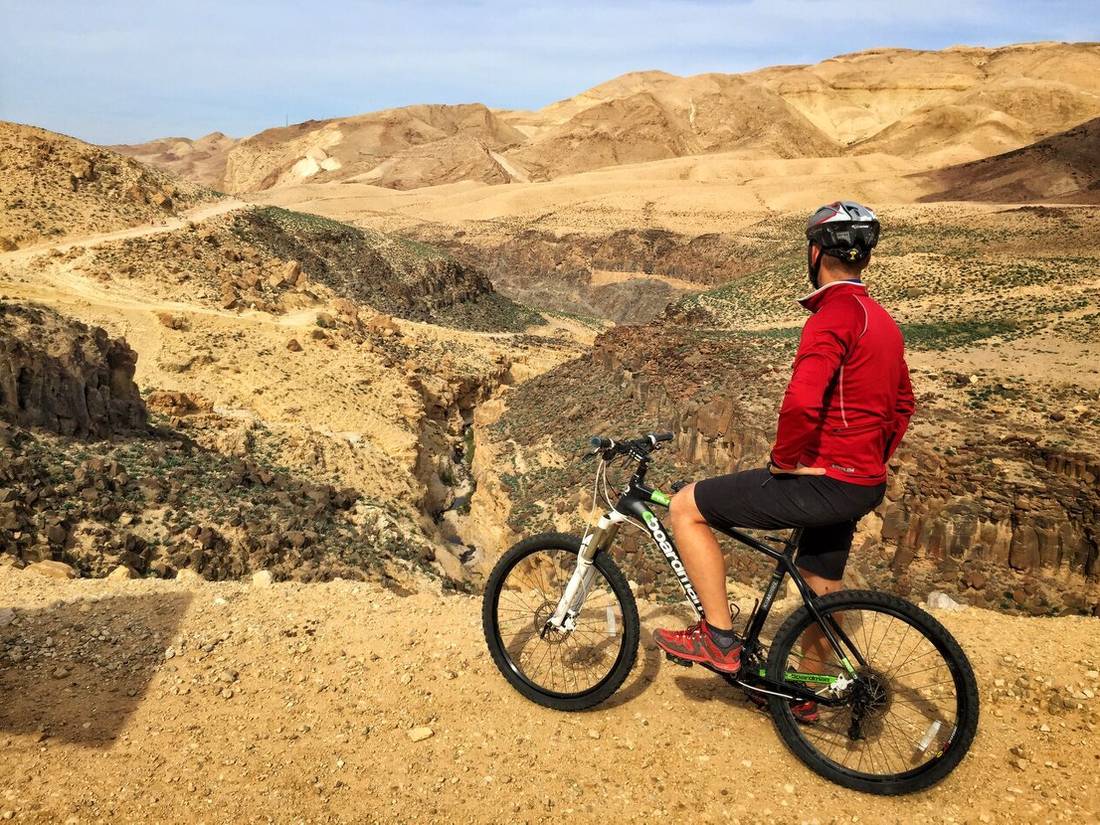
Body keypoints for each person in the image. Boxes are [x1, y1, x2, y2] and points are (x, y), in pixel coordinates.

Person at [653, 201, 915, 723]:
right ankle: (809, 689)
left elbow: (800, 401)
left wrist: (786, 462)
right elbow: (903, 403)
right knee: (821, 580)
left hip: (824, 480)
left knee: (686, 507)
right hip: (862, 482)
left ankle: (718, 638)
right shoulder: (881, 319)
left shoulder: (834, 315)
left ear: (816, 253)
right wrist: (867, 462)